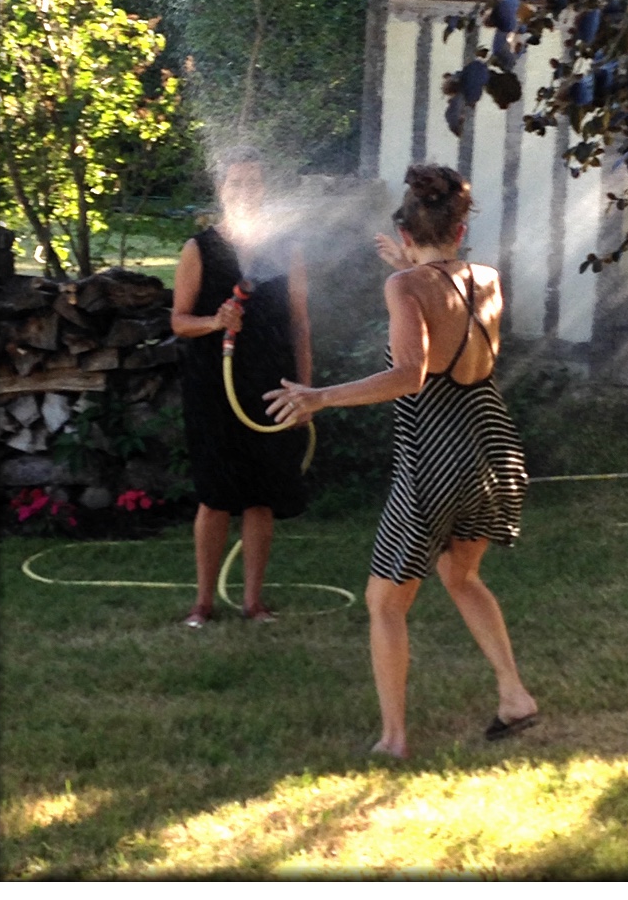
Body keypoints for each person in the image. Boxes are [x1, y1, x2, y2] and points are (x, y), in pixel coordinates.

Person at [264, 163, 537, 755]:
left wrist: (320, 396)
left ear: (407, 234)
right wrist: (411, 269)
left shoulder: (405, 286)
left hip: (434, 459)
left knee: (385, 601)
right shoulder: (487, 277)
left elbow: (409, 375)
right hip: (492, 447)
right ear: (460, 231)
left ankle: (393, 739)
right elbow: (449, 307)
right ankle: (514, 694)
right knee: (461, 576)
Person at [172, 145, 312, 625]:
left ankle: (254, 602)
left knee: (260, 495)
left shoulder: (285, 250)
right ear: (222, 189)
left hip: (271, 385)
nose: (246, 191)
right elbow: (178, 321)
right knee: (215, 497)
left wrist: (307, 393)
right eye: (236, 183)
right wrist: (215, 321)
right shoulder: (200, 249)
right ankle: (203, 603)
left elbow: (299, 326)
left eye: (254, 182)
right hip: (215, 385)